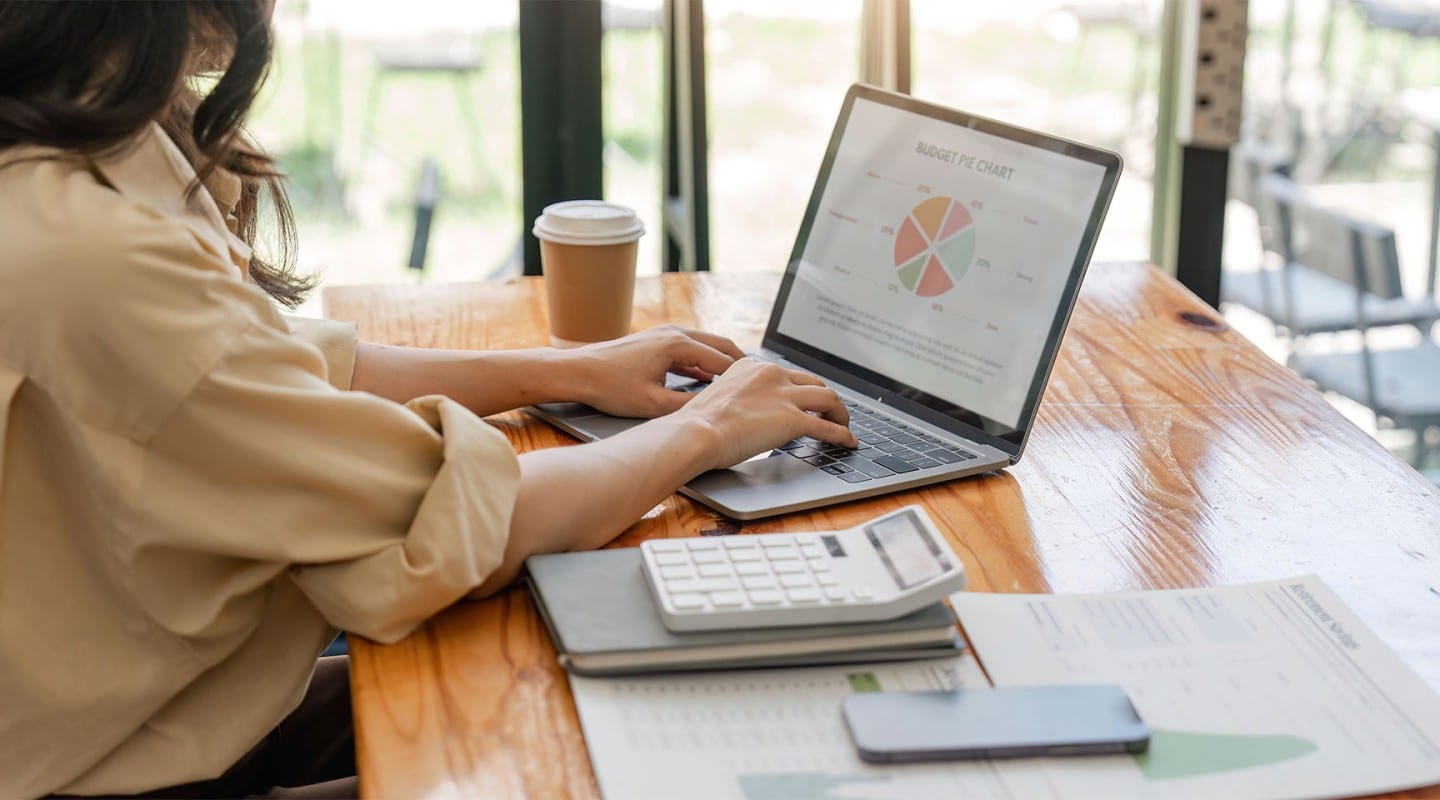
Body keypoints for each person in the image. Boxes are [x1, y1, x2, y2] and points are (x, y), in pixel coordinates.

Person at [0, 2, 856, 797]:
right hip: (113, 765)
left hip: (154, 712)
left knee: (541, 688)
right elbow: (466, 523)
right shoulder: (93, 252)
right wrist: (711, 425)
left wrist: (568, 372)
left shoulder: (70, 138)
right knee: (569, 739)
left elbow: (277, 373)